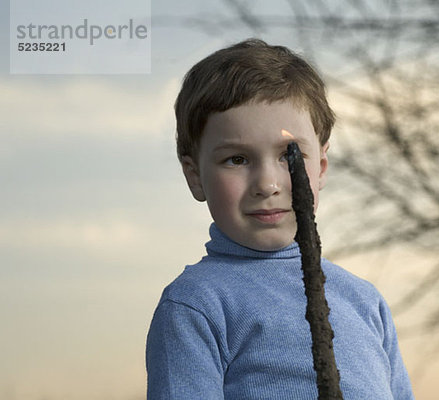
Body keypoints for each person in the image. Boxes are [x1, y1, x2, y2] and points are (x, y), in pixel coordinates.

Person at [146, 38, 415, 400]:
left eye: (289, 156)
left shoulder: (365, 302)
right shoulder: (196, 305)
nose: (267, 184)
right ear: (195, 176)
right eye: (237, 159)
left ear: (319, 168)